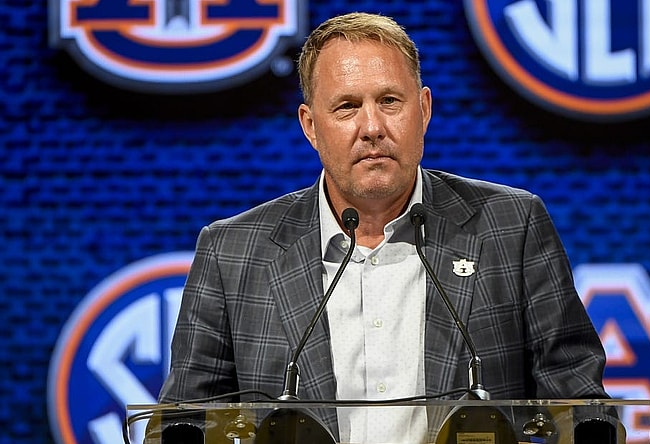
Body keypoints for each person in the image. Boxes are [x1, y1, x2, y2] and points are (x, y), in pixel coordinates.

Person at [158, 11, 609, 443]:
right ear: (311, 126)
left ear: (425, 109)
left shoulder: (511, 226)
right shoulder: (233, 252)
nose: (372, 127)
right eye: (347, 107)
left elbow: (580, 403)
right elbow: (184, 424)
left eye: (390, 101)